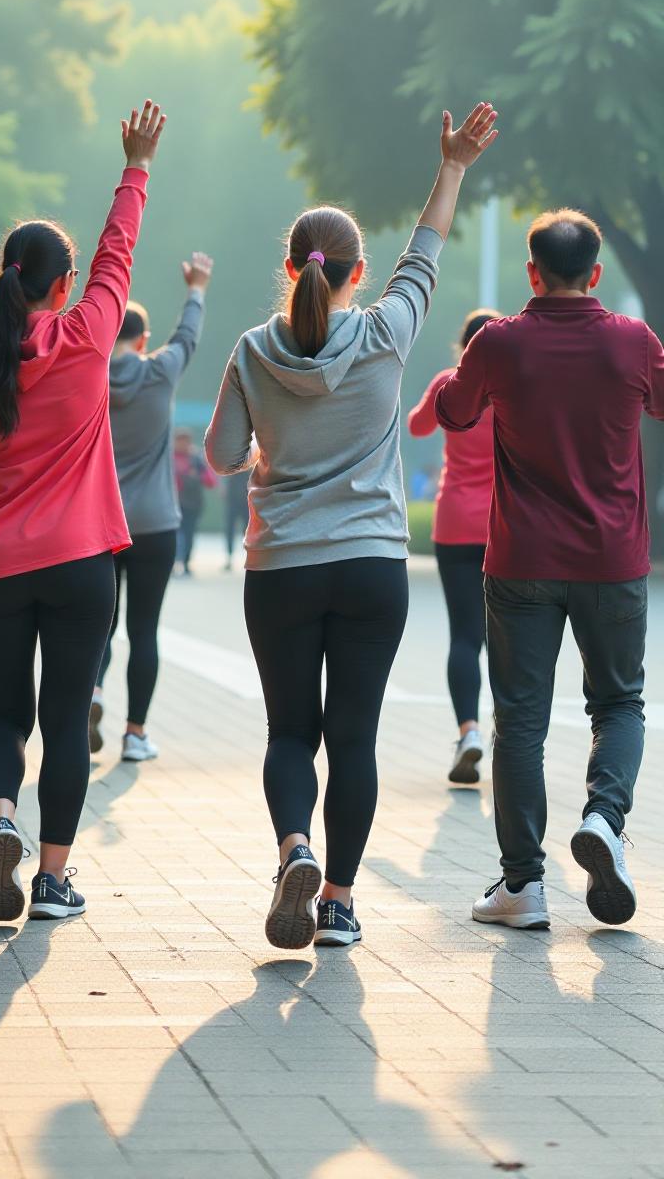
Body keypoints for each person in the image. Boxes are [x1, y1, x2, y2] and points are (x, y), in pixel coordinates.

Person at [206, 104, 498, 951]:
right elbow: (427, 256)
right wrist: (452, 166)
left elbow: (225, 455)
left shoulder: (253, 350)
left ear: (291, 266)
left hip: (283, 568)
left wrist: (272, 451)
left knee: (290, 731)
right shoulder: (386, 333)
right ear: (356, 271)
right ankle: (336, 901)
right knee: (353, 738)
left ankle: (293, 848)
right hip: (372, 566)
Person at [0, 101, 166, 925]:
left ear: (5, 276)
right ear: (60, 287)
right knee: (67, 719)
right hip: (79, 564)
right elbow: (117, 255)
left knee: (4, 714)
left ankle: (1, 822)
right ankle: (54, 881)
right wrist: (134, 167)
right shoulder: (91, 333)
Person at [437, 210, 664, 932]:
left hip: (521, 562)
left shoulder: (501, 341)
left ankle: (524, 887)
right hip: (613, 560)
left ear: (532, 272)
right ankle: (603, 817)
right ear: (596, 273)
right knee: (620, 705)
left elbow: (450, 409)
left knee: (522, 722)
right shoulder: (631, 342)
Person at [91, 251, 214, 762]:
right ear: (142, 340)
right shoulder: (160, 372)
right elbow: (187, 337)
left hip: (98, 524)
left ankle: (92, 697)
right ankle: (135, 734)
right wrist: (196, 289)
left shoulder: (87, 378)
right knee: (145, 631)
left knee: (98, 626)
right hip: (157, 526)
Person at [407, 308, 500, 784]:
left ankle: (468, 731)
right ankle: (514, 738)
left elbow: (418, 426)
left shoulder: (450, 381)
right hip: (505, 528)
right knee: (508, 637)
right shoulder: (511, 385)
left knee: (465, 635)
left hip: (454, 525)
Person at [174, 429, 216, 575]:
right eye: (180, 440)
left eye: (186, 440)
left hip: (192, 504)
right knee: (175, 535)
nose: (183, 444)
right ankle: (174, 563)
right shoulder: (169, 458)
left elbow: (211, 481)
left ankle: (185, 563)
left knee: (189, 534)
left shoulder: (196, 459)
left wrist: (195, 475)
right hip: (174, 505)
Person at [223, 468, 250, 571]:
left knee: (247, 531)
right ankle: (229, 558)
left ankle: (249, 556)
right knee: (230, 530)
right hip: (233, 499)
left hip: (244, 499)